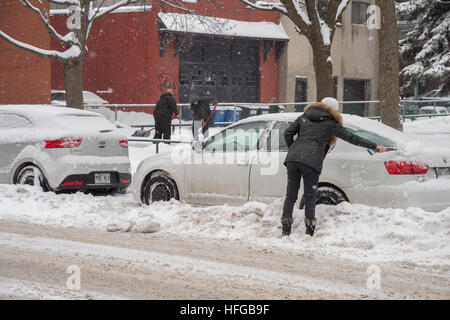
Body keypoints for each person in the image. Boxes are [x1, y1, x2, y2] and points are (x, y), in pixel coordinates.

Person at [282, 97, 386, 237]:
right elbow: (352, 138)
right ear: (333, 110)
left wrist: (294, 149)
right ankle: (309, 231)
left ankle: (285, 230)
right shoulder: (331, 124)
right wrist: (374, 146)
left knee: (291, 195)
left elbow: (288, 133)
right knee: (309, 196)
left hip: (293, 160)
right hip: (311, 162)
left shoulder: (304, 117)